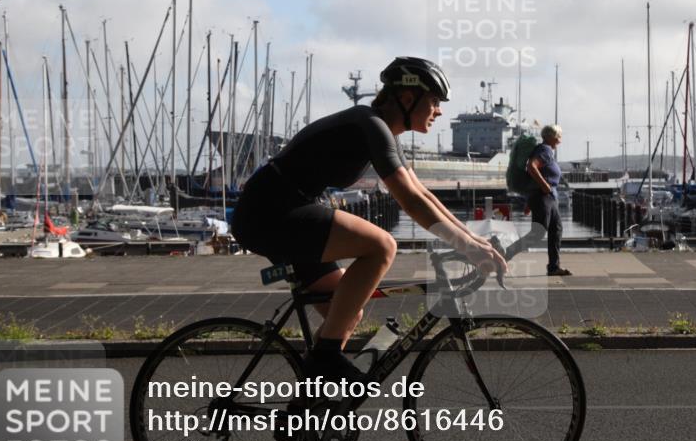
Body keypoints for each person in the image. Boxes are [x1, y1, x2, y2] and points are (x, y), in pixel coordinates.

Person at [231, 57, 506, 383]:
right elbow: (412, 201)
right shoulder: (370, 124)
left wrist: (474, 242)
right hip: (271, 212)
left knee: (346, 312)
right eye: (434, 101)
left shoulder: (379, 128)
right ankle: (326, 357)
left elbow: (424, 194)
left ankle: (307, 411)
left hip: (279, 211)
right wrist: (468, 247)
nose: (439, 111)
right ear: (407, 99)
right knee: (381, 246)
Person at [507, 124, 571, 276]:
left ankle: (554, 267)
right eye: (558, 137)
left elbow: (536, 174)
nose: (560, 141)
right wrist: (545, 187)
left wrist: (531, 201)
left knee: (556, 231)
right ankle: (503, 254)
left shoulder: (545, 150)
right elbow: (531, 167)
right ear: (550, 137)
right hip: (544, 197)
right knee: (537, 234)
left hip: (548, 198)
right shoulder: (545, 150)